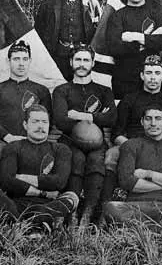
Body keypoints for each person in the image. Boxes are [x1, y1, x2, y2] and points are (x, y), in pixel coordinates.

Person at [100, 55, 162, 204]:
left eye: (157, 73)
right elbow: (117, 133)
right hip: (133, 146)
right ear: (142, 75)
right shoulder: (129, 100)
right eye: (149, 73)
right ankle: (104, 207)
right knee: (111, 155)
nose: (152, 78)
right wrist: (131, 148)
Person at [0, 104, 79, 230]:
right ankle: (36, 224)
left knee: (72, 197)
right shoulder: (13, 147)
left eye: (44, 122)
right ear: (25, 125)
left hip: (48, 205)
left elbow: (59, 182)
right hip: (14, 203)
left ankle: (19, 224)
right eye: (35, 121)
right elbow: (7, 181)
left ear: (49, 125)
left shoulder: (60, 149)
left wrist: (21, 177)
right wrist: (44, 192)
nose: (40, 126)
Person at [52, 44, 117, 226]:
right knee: (77, 159)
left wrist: (79, 115)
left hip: (97, 143)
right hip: (69, 140)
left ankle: (88, 213)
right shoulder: (62, 90)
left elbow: (111, 118)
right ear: (71, 62)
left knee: (97, 161)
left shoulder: (104, 91)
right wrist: (97, 117)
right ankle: (72, 213)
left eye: (86, 60)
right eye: (78, 60)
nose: (82, 64)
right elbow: (61, 120)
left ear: (93, 63)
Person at [0, 40, 51, 179]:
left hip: (34, 140)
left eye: (25, 59)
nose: (21, 63)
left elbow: (49, 118)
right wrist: (8, 137)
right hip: (3, 141)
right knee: (1, 152)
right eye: (16, 59)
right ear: (9, 61)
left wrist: (31, 138)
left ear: (30, 61)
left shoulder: (41, 90)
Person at [35, 0, 102, 80]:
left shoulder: (93, 4)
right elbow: (38, 36)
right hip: (56, 60)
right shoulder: (47, 5)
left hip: (83, 62)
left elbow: (99, 35)